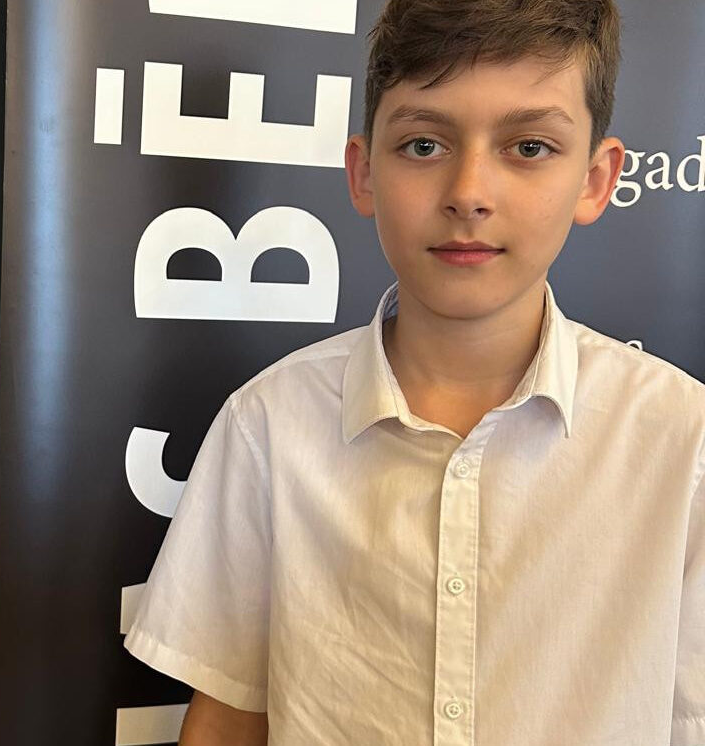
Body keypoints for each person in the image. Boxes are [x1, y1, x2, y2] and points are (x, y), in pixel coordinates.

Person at [124, 1, 704, 744]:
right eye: (424, 144)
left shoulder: (683, 442)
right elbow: (229, 718)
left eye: (529, 147)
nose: (469, 192)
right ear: (364, 173)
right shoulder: (267, 425)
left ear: (595, 179)